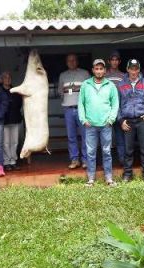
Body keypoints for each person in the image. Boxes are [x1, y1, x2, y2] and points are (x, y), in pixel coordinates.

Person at [78, 59, 119, 187]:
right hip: (90, 125)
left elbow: (115, 104)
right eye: (97, 68)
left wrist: (111, 119)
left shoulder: (110, 85)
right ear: (93, 70)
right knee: (90, 152)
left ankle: (108, 178)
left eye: (101, 69)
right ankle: (91, 178)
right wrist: (83, 120)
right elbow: (81, 104)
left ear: (105, 70)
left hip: (106, 125)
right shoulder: (85, 85)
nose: (99, 71)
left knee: (106, 151)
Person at [117, 59, 144, 183]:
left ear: (139, 69)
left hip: (142, 120)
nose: (133, 71)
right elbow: (116, 105)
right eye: (131, 68)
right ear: (127, 69)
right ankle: (127, 174)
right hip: (127, 121)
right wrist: (121, 120)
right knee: (128, 150)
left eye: (136, 69)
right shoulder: (120, 85)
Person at [58, 54, 89, 169]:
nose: (71, 62)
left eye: (73, 60)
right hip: (68, 109)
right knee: (71, 136)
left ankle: (85, 160)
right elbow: (61, 92)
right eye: (69, 60)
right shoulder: (63, 75)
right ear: (66, 62)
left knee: (85, 136)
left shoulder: (84, 73)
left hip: (82, 110)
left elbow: (89, 91)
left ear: (77, 61)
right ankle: (75, 160)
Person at [105, 50, 125, 165]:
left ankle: (122, 160)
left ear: (119, 61)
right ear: (109, 61)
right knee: (106, 139)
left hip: (119, 111)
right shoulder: (104, 76)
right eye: (112, 59)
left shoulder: (123, 76)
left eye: (116, 59)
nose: (114, 62)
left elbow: (125, 94)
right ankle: (108, 163)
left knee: (120, 137)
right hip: (106, 111)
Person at [1, 71, 23, 171]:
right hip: (4, 120)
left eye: (9, 77)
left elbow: (19, 104)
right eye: (5, 77)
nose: (8, 79)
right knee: (5, 142)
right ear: (2, 80)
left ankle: (13, 161)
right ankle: (6, 162)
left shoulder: (15, 91)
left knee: (14, 142)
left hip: (15, 119)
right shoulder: (0, 91)